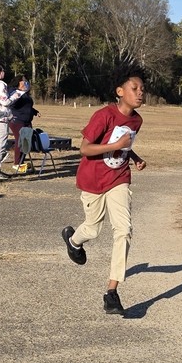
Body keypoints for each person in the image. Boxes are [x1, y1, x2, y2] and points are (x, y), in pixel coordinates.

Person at [61, 66, 147, 316]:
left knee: (124, 230)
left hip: (119, 178)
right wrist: (116, 144)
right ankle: (73, 240)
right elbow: (85, 149)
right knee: (93, 227)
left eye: (143, 89)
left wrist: (134, 156)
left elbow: (124, 145)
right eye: (135, 89)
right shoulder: (104, 115)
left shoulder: (136, 120)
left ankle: (112, 292)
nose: (140, 93)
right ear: (120, 92)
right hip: (92, 180)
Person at [7, 74, 40, 170]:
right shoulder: (14, 93)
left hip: (27, 120)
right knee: (19, 140)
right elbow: (13, 105)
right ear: (18, 82)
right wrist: (18, 95)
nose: (25, 83)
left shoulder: (25, 94)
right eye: (23, 81)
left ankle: (22, 162)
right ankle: (16, 163)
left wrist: (34, 112)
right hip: (17, 120)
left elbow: (27, 106)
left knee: (26, 142)